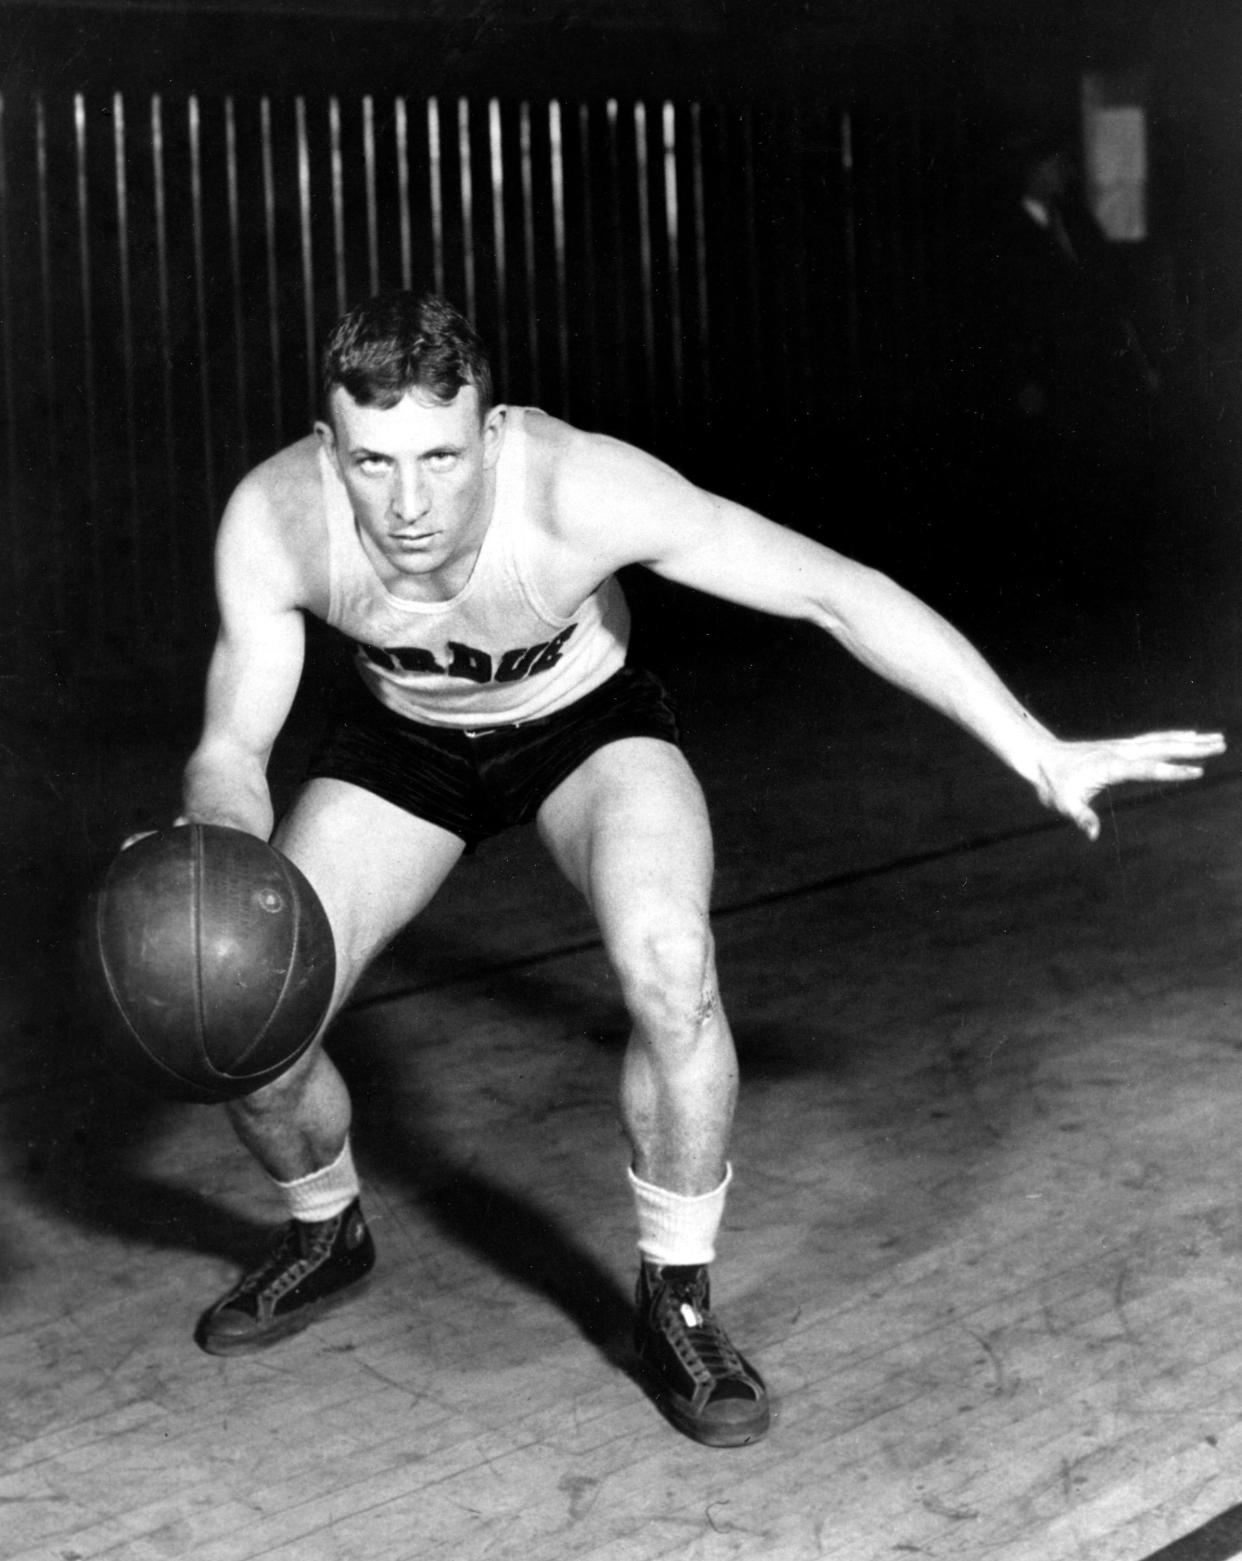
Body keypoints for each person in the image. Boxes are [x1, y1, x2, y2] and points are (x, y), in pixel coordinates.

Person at [177, 289, 1223, 1449]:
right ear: (330, 445)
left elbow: (835, 588)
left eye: (441, 455)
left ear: (495, 428)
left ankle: (674, 1296)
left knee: (674, 965)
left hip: (585, 726)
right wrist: (217, 866)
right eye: (374, 461)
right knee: (244, 1010)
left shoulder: (582, 487)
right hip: (401, 750)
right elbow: (233, 745)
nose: (410, 502)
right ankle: (325, 1227)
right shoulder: (275, 518)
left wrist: (1032, 741)